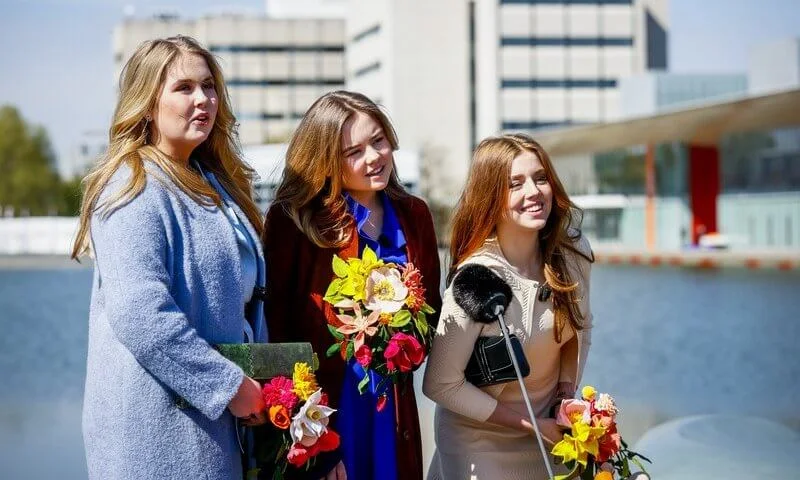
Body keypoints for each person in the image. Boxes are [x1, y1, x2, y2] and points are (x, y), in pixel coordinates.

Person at [71, 36, 268, 479]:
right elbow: (140, 314)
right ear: (147, 103)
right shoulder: (133, 186)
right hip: (156, 433)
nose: (203, 99)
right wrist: (229, 386)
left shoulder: (209, 179)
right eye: (184, 88)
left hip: (216, 426)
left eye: (209, 86)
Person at [262, 90, 442, 480]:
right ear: (326, 161)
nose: (374, 157)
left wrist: (404, 341)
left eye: (378, 141)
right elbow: (278, 334)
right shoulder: (292, 221)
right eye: (353, 152)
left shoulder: (416, 216)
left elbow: (433, 313)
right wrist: (317, 443)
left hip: (394, 408)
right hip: (328, 412)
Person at [422, 134, 594, 479]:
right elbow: (440, 384)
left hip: (549, 431)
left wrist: (565, 398)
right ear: (490, 197)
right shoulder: (474, 279)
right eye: (515, 184)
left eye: (540, 178)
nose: (534, 192)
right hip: (479, 441)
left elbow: (581, 328)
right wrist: (533, 425)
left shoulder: (572, 253)